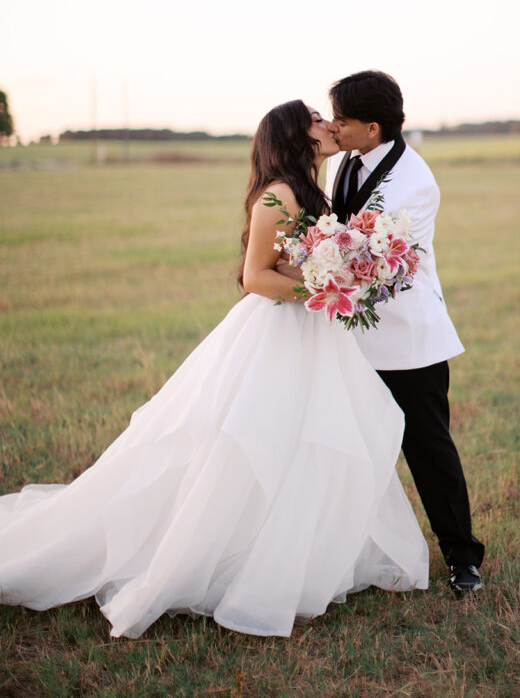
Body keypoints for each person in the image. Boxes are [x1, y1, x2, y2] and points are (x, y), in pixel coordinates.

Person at [0, 100, 428, 639]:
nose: (326, 124)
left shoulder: (316, 189)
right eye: (317, 119)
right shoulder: (278, 194)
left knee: (314, 440)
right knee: (252, 442)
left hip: (314, 334)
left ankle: (300, 551)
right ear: (296, 135)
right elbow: (256, 277)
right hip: (277, 331)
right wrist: (322, 288)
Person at [326, 70, 484, 595]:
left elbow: (393, 265)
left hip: (408, 339)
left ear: (372, 129)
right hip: (350, 338)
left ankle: (463, 557)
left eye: (341, 120)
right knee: (346, 446)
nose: (333, 126)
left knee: (428, 448)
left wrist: (325, 270)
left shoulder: (416, 183)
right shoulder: (343, 164)